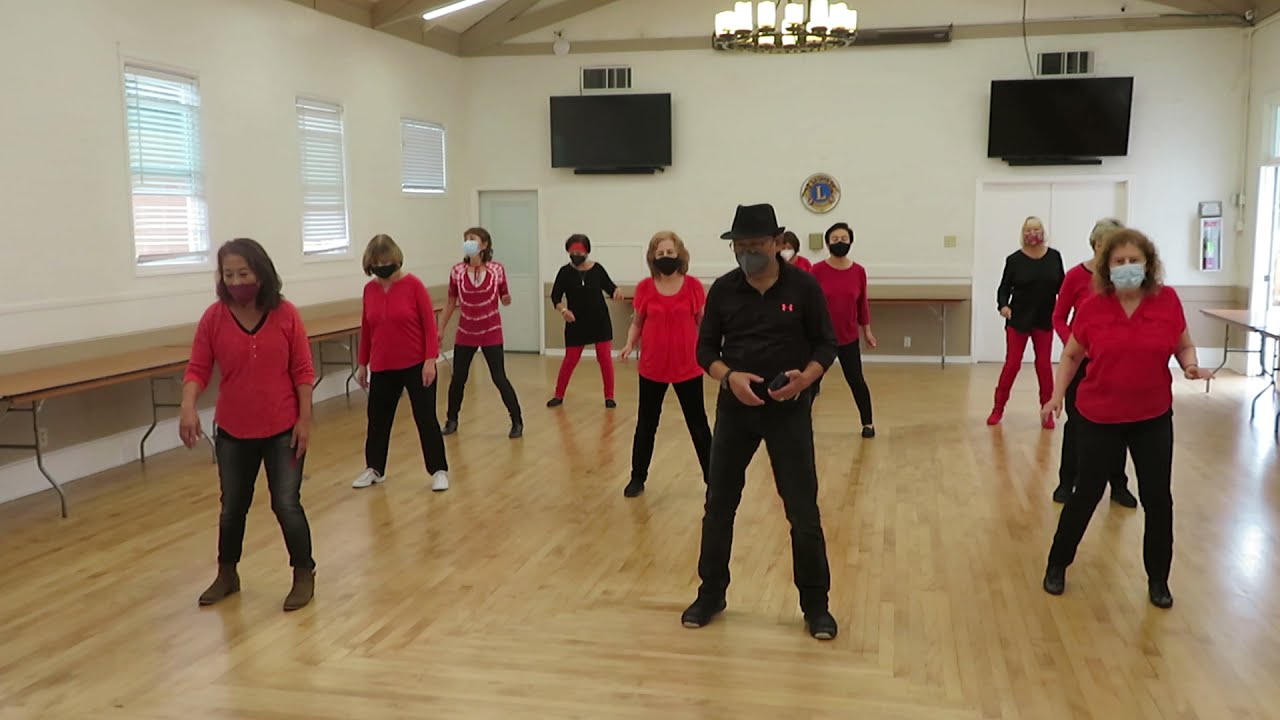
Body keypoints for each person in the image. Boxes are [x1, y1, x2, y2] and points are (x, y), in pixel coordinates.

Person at [682, 203, 839, 641]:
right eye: (740, 247)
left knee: (802, 511)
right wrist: (729, 377)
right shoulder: (723, 290)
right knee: (719, 505)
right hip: (736, 411)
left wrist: (805, 378)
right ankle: (711, 593)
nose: (747, 254)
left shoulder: (804, 287)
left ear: (777, 243)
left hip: (789, 412)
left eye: (755, 246)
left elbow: (826, 344)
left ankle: (816, 606)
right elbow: (705, 350)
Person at [1041, 228, 1213, 609]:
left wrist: (1190, 366)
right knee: (1086, 493)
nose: (1127, 266)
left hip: (1152, 416)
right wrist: (1056, 395)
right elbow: (1071, 355)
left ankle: (1158, 580)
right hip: (1100, 416)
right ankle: (1057, 563)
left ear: (1148, 264)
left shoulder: (1167, 301)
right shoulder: (1093, 306)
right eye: (1119, 261)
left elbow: (1184, 344)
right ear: (1107, 267)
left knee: (1157, 499)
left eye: (1134, 260)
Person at [180, 238, 316, 612]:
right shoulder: (214, 318)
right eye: (229, 275)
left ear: (261, 272)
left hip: (283, 428)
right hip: (233, 431)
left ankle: (303, 573)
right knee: (232, 507)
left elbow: (303, 370)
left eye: (243, 273)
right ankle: (227, 574)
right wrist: (188, 406)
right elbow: (198, 367)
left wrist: (305, 420)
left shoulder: (286, 315)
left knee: (286, 503)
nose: (236, 281)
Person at [350, 235, 450, 492]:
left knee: (425, 418)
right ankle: (374, 468)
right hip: (382, 366)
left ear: (395, 260)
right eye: (377, 263)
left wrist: (430, 360)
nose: (382, 267)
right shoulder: (369, 291)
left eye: (386, 262)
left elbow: (429, 327)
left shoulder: (414, 286)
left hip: (416, 364)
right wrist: (362, 364)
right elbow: (367, 329)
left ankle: (439, 470)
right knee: (377, 420)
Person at [1050, 218, 1138, 508]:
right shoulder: (1075, 276)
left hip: (1116, 364)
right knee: (1077, 424)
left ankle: (1118, 485)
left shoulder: (1124, 280)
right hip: (1081, 363)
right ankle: (1067, 482)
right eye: (1105, 244)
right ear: (1096, 244)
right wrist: (1074, 343)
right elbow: (1058, 317)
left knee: (1119, 424)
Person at [618, 231, 712, 498]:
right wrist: (629, 344)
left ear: (679, 254)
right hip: (652, 367)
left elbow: (703, 322)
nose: (665, 257)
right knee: (646, 424)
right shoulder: (645, 288)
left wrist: (712, 351)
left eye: (670, 252)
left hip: (687, 366)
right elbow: (637, 322)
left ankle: (714, 479)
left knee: (698, 424)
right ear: (653, 257)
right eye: (660, 253)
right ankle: (637, 478)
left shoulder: (693, 286)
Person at [438, 227, 523, 439]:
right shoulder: (457, 271)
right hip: (465, 332)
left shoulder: (497, 270)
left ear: (484, 245)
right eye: (465, 239)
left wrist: (507, 299)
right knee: (458, 378)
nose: (468, 242)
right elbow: (450, 303)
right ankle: (451, 420)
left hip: (491, 332)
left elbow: (504, 295)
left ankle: (517, 421)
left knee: (499, 377)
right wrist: (440, 329)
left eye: (472, 239)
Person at [988, 216, 1064, 428]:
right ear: (1023, 233)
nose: (1033, 234)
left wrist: (1068, 309)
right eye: (1028, 230)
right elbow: (1003, 289)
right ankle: (997, 409)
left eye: (1036, 229)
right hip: (1019, 319)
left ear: (1043, 232)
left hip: (1044, 318)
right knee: (1012, 364)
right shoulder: (1014, 260)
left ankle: (1047, 412)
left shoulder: (1054, 257)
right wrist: (1003, 306)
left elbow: (1063, 286)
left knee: (1044, 366)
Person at [810, 221, 877, 438]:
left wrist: (867, 331)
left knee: (856, 380)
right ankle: (800, 424)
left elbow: (862, 304)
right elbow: (808, 304)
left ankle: (868, 423)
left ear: (850, 242)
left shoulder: (858, 271)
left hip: (848, 337)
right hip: (821, 338)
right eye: (835, 239)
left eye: (844, 239)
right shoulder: (816, 270)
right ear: (828, 242)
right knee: (810, 382)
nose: (840, 242)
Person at [548, 234, 624, 408]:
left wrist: (617, 291)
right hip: (575, 322)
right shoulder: (564, 272)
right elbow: (555, 296)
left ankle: (609, 396)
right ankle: (558, 395)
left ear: (587, 252)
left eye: (579, 252)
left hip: (600, 321)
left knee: (605, 359)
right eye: (572, 252)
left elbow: (611, 288)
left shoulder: (597, 269)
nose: (576, 255)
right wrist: (563, 310)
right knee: (570, 360)